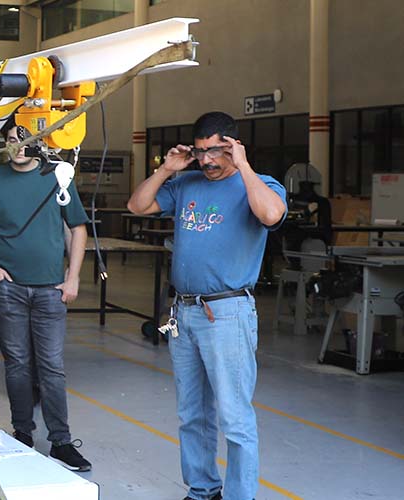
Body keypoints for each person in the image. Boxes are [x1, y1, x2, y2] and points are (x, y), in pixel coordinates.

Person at [127, 111, 287, 500]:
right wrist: (167, 169)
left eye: (216, 152)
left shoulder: (262, 185)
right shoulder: (186, 184)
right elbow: (138, 205)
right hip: (184, 312)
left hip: (228, 314)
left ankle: (239, 496)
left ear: (234, 146)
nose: (208, 161)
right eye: (200, 153)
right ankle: (202, 490)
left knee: (234, 417)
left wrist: (244, 167)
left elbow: (271, 214)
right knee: (193, 415)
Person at [0, 117, 92, 472]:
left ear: (41, 142)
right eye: (12, 138)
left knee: (51, 367)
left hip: (51, 290)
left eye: (26, 138)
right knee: (16, 363)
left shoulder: (57, 177)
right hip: (9, 288)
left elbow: (77, 228)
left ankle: (60, 441)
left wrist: (73, 277)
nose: (18, 145)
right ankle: (23, 433)